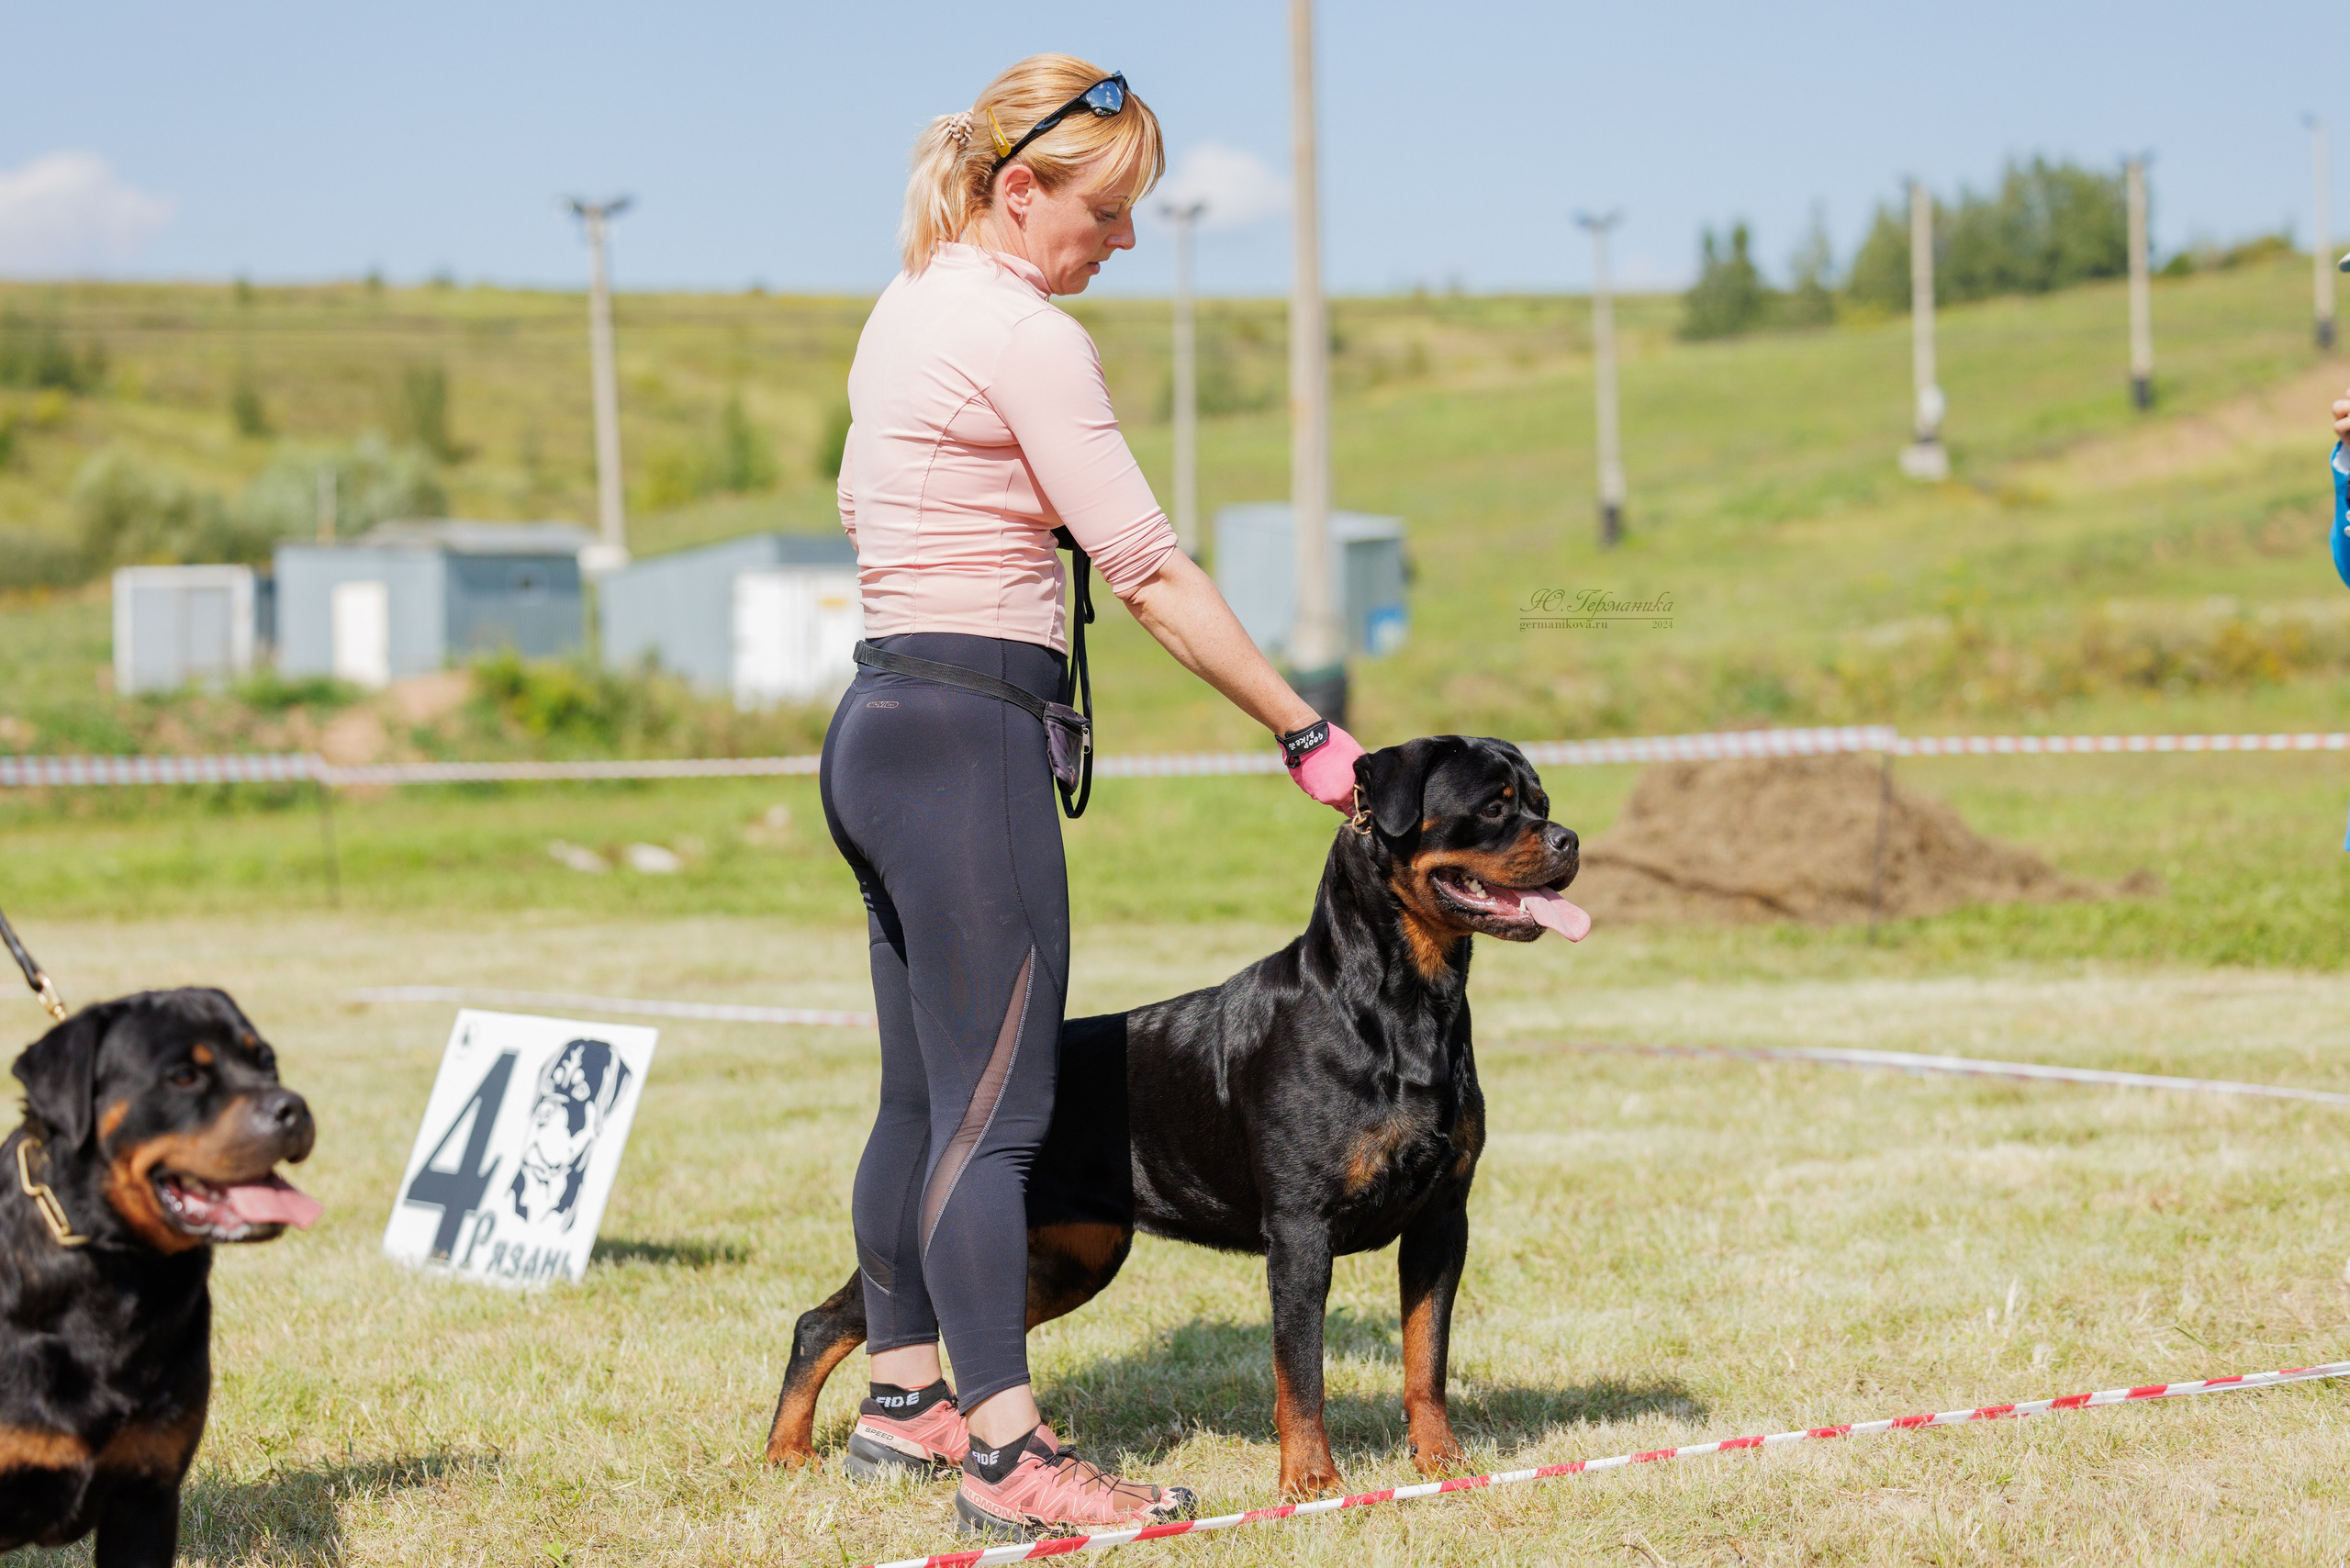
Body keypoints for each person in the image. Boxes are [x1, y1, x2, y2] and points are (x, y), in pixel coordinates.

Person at [816, 54, 1365, 1540]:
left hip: (876, 724)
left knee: (927, 1097)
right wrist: (1305, 730)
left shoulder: (909, 301)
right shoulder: (1023, 333)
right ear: (1021, 190)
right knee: (1003, 1116)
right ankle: (1008, 1456)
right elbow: (1150, 572)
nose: (1122, 241)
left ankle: (908, 1401)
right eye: (1109, 212)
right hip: (968, 737)